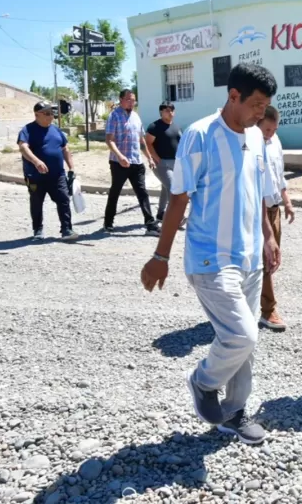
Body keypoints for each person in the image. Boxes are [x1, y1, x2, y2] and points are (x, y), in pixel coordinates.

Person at [140, 63, 280, 445]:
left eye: (265, 106)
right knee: (242, 335)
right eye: (255, 104)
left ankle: (234, 412)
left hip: (249, 258)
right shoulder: (200, 136)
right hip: (211, 259)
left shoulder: (256, 139)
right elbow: (179, 199)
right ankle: (202, 382)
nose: (260, 113)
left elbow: (257, 194)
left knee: (244, 346)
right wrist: (161, 256)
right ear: (233, 96)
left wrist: (268, 237)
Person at [17, 102, 78, 241]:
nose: (51, 116)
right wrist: (36, 161)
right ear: (37, 114)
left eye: (52, 113)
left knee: (63, 200)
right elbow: (23, 148)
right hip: (35, 176)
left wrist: (71, 167)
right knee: (37, 202)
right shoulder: (27, 130)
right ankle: (38, 230)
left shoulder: (56, 130)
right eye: (47, 113)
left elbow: (65, 149)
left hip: (57, 175)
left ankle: (66, 229)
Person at [257, 105, 294, 332]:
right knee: (266, 261)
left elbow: (278, 175)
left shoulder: (275, 141)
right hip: (257, 212)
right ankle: (268, 310)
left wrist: (287, 201)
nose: (270, 133)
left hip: (274, 208)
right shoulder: (251, 144)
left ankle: (250, 302)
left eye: (273, 129)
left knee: (272, 260)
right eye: (267, 129)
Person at [104, 89, 159, 236]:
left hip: (136, 161)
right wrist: (120, 156)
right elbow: (109, 140)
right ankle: (108, 222)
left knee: (142, 192)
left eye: (133, 99)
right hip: (119, 162)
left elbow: (141, 141)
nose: (131, 102)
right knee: (115, 191)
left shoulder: (136, 117)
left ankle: (150, 223)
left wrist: (149, 157)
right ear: (121, 100)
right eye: (128, 99)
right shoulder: (114, 116)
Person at [144, 102, 183, 222]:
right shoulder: (155, 126)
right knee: (172, 188)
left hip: (175, 163)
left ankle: (161, 213)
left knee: (165, 189)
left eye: (172, 110)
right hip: (161, 163)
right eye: (167, 110)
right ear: (161, 112)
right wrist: (156, 158)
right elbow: (147, 143)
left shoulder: (176, 127)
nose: (170, 112)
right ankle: (177, 217)